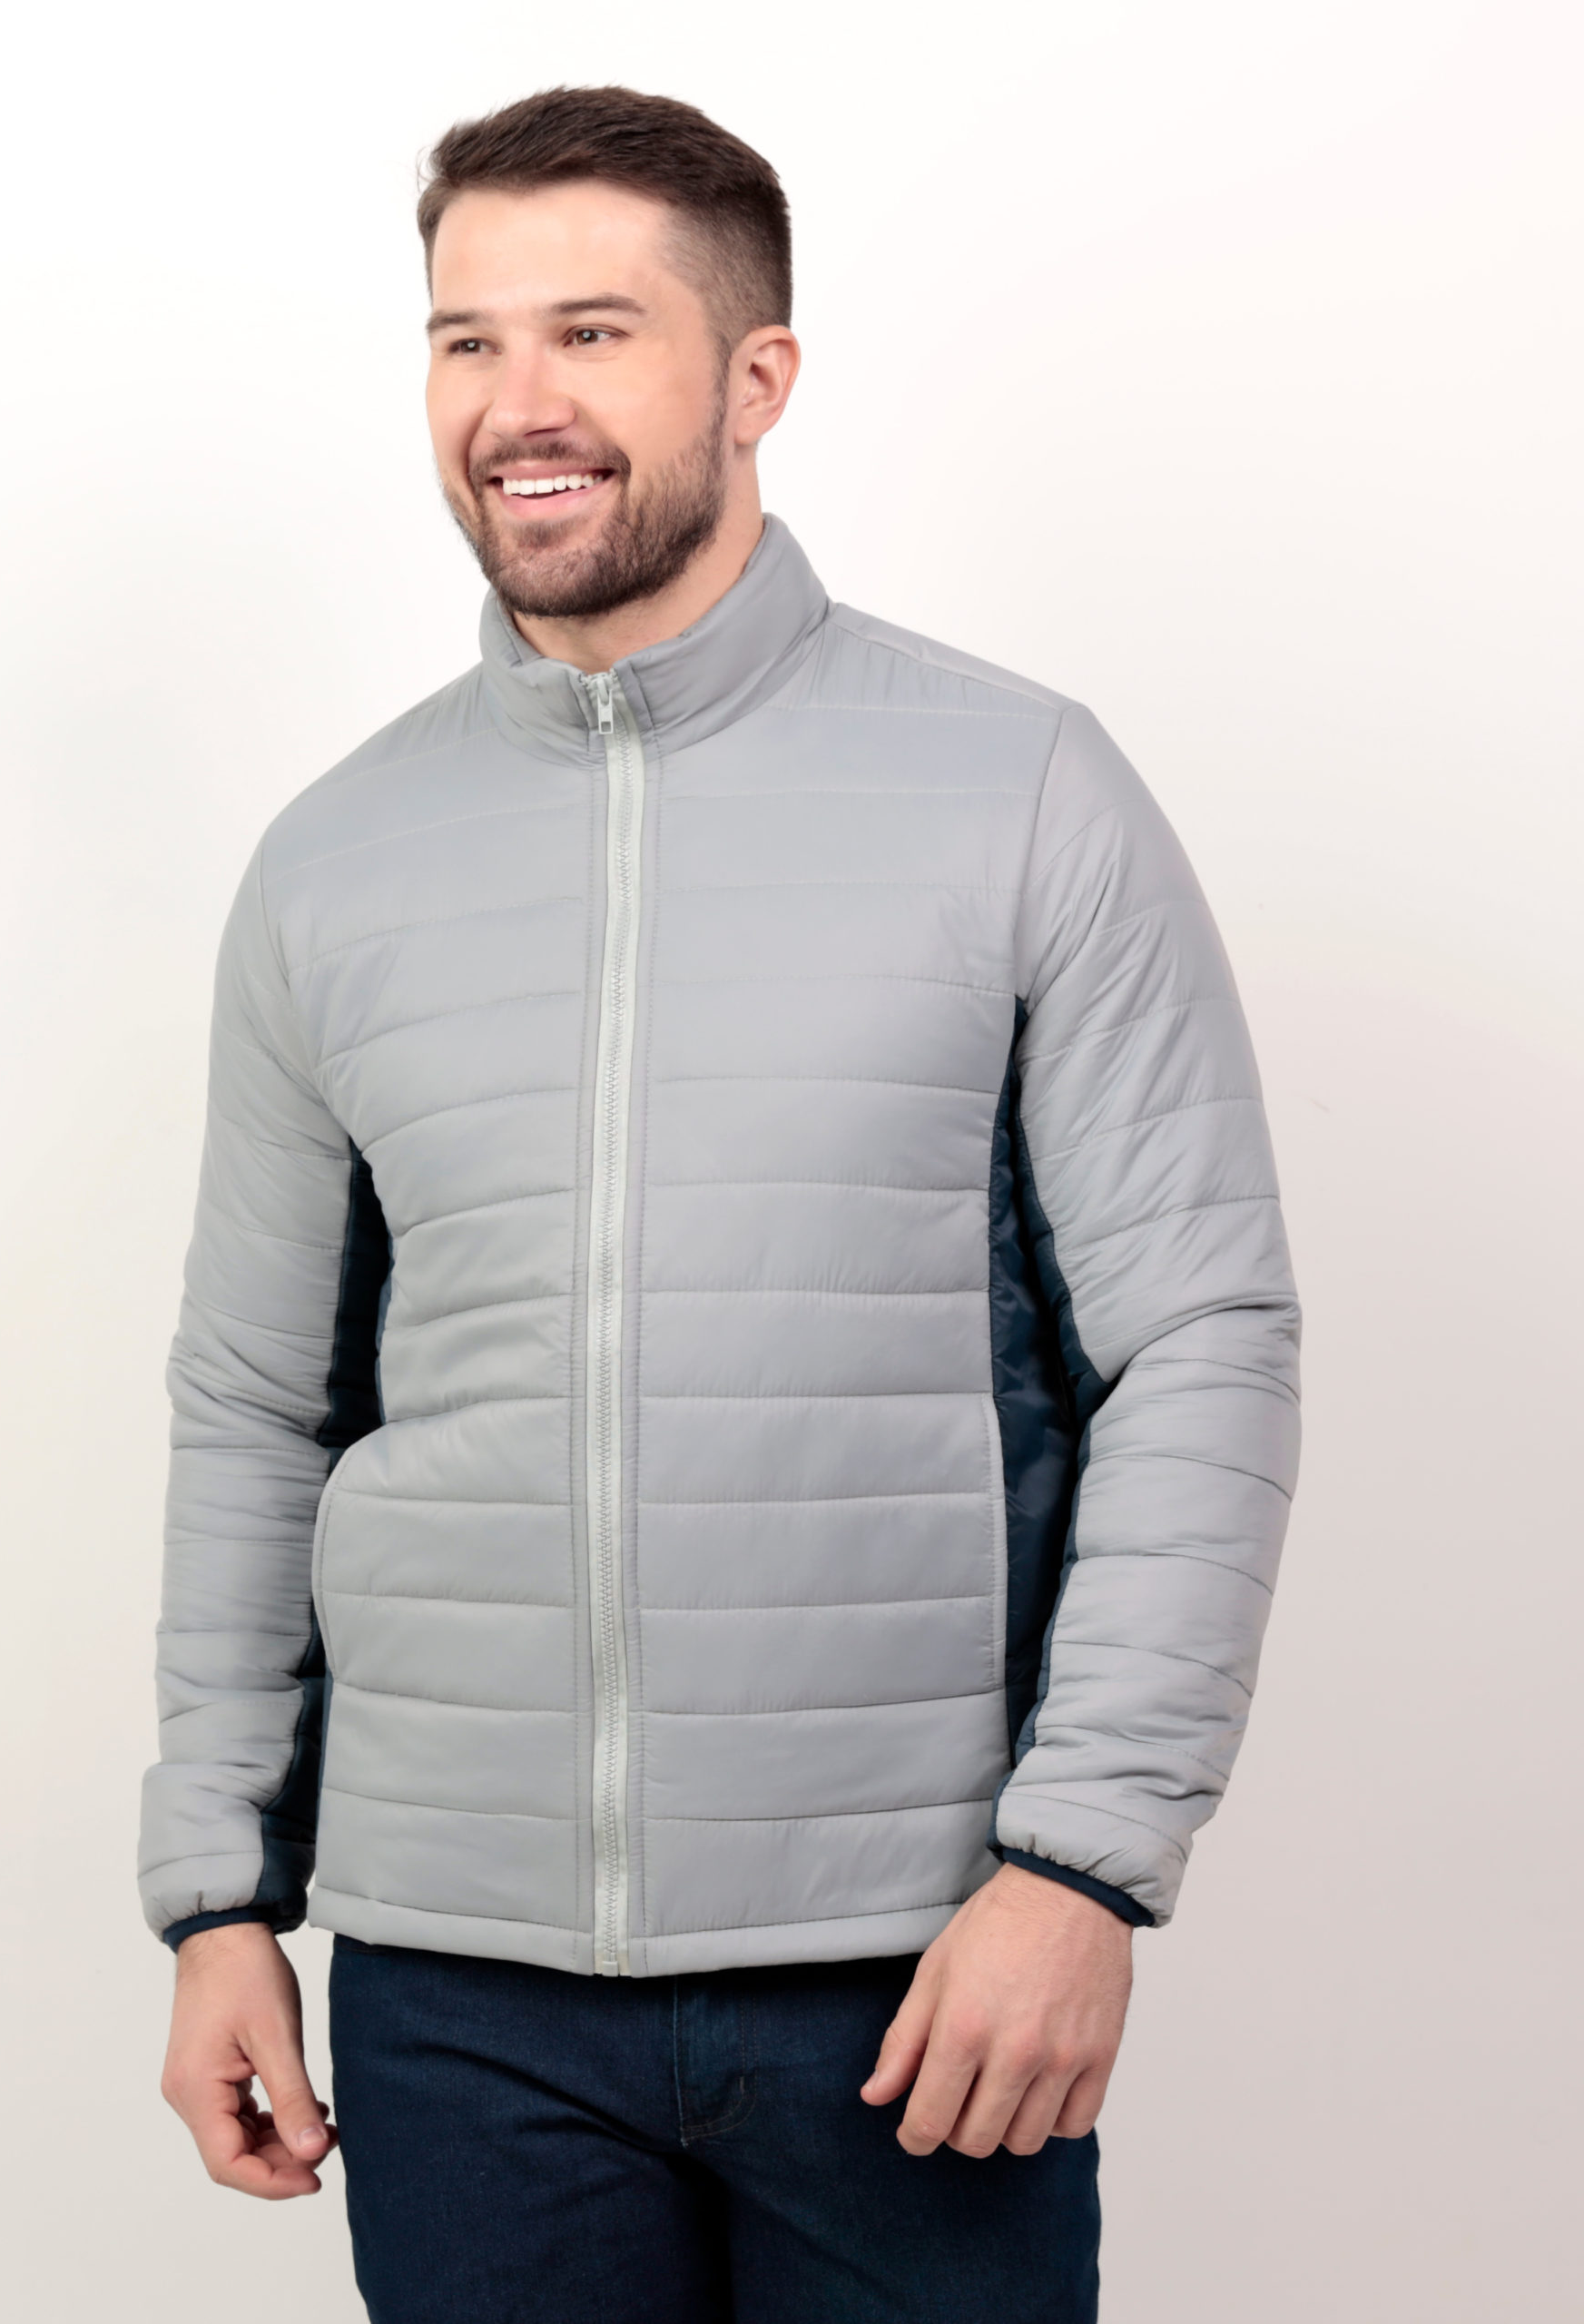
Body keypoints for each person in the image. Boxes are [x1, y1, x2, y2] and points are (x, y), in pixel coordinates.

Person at [141, 84, 1301, 2324]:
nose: (519, 403)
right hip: (456, 2000)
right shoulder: (333, 862)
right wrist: (218, 1899)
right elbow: (256, 1401)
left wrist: (1084, 1863)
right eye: (468, 339)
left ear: (757, 376)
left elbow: (1200, 1343)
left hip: (917, 1977)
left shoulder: (1021, 791)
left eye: (593, 330)